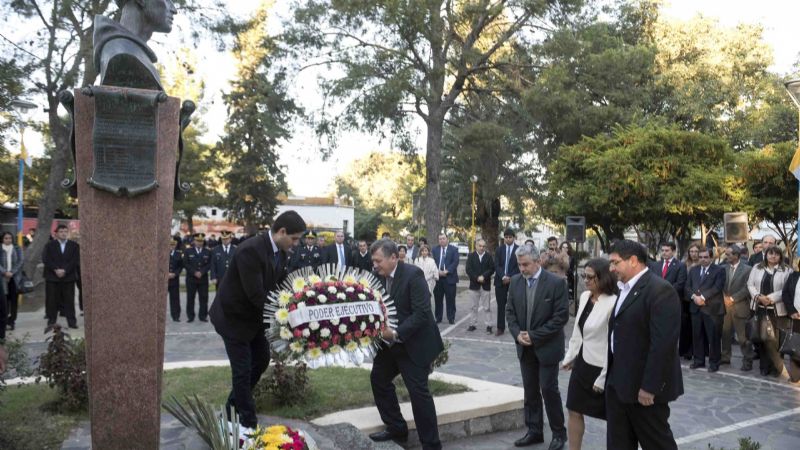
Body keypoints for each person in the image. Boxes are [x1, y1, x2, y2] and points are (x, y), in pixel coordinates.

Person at [209, 211, 305, 432]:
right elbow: (257, 296)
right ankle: (248, 423)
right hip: (234, 319)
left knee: (261, 360)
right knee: (242, 371)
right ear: (282, 232)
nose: (296, 243)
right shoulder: (251, 250)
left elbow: (281, 286)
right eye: (294, 238)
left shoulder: (281, 252)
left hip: (254, 319)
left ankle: (231, 409)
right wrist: (287, 318)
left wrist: (300, 301)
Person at [606, 239, 683, 450]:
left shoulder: (660, 290)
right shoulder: (623, 288)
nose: (611, 269)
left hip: (644, 391)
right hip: (619, 385)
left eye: (615, 263)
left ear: (633, 261)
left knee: (657, 444)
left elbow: (663, 345)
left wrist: (649, 387)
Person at [368, 239, 444, 450]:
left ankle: (431, 444)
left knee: (418, 393)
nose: (375, 265)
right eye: (373, 261)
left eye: (378, 260)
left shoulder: (413, 275)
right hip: (390, 344)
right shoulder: (375, 277)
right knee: (378, 379)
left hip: (414, 344)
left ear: (394, 257)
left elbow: (422, 313)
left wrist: (396, 333)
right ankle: (397, 429)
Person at [505, 244, 568, 449]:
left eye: (526, 265)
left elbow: (560, 318)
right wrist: (517, 335)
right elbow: (510, 313)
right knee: (530, 391)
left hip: (548, 347)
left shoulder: (556, 283)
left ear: (538, 262)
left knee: (549, 390)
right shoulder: (515, 282)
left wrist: (534, 336)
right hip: (525, 347)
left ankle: (559, 434)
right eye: (519, 265)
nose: (522, 269)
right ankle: (534, 431)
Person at [561, 259, 618, 450]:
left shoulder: (613, 303)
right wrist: (571, 356)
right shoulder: (585, 296)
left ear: (603, 278)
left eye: (590, 277)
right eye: (583, 276)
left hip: (602, 367)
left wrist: (602, 378)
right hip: (583, 364)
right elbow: (578, 330)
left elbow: (613, 344)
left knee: (613, 417)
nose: (585, 280)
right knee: (574, 409)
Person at [747, 246, 791, 377]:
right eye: (770, 254)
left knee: (776, 341)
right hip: (760, 309)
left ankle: (776, 368)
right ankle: (764, 366)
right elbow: (750, 284)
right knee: (763, 339)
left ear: (780, 256)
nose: (773, 256)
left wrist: (770, 298)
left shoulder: (786, 270)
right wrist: (758, 297)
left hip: (778, 312)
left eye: (776, 254)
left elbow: (787, 289)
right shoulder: (757, 267)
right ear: (766, 255)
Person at [685, 248, 726, 372]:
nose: (703, 259)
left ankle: (714, 363)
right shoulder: (693, 270)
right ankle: (699, 360)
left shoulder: (719, 270)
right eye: (701, 257)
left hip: (712, 309)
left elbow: (717, 287)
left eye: (705, 257)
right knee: (697, 336)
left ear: (711, 257)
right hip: (696, 309)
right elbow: (687, 287)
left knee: (713, 338)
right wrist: (694, 297)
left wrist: (702, 297)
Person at [720, 245, 753, 370]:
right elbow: (719, 284)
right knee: (725, 334)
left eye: (728, 254)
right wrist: (724, 297)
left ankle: (747, 360)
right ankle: (725, 357)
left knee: (743, 336)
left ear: (736, 255)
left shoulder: (748, 270)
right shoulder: (722, 268)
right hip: (725, 307)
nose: (726, 256)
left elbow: (747, 288)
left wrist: (732, 299)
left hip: (740, 306)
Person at [42, 224, 80, 331]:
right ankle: (51, 321)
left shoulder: (74, 245)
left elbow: (75, 260)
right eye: (61, 231)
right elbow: (46, 259)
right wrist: (56, 269)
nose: (63, 233)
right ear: (56, 233)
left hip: (68, 277)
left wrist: (65, 270)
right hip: (52, 277)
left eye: (65, 231)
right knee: (52, 300)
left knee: (69, 300)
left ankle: (72, 322)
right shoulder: (49, 245)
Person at [466, 239, 495, 334]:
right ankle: (472, 324)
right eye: (480, 246)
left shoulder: (488, 256)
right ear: (476, 246)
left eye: (483, 246)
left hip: (485, 285)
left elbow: (492, 269)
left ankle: (489, 325)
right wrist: (477, 278)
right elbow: (468, 270)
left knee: (487, 307)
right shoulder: (471, 256)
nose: (482, 248)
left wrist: (484, 276)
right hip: (474, 285)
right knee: (473, 307)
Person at [495, 229, 520, 336]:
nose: (508, 239)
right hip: (500, 281)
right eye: (506, 237)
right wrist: (503, 276)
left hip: (514, 282)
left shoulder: (519, 249)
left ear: (514, 237)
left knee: (515, 305)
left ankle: (516, 327)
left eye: (510, 237)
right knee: (501, 305)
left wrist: (510, 277)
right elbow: (496, 265)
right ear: (504, 238)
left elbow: (519, 266)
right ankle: (500, 328)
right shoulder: (499, 249)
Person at [680, 242, 702, 360]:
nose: (693, 254)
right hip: (685, 299)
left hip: (697, 298)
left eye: (696, 251)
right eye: (691, 251)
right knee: (685, 326)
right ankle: (685, 350)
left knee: (696, 327)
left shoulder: (702, 264)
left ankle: (694, 350)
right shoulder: (684, 264)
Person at [183, 233, 212, 322]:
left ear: (203, 242)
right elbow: (185, 264)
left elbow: (210, 264)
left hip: (203, 279)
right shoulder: (188, 251)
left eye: (201, 241)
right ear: (194, 241)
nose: (199, 243)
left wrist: (202, 272)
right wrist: (194, 272)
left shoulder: (208, 251)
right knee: (190, 298)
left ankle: (203, 316)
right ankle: (190, 316)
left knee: (204, 298)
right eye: (198, 241)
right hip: (191, 279)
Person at [780, 260, 800, 383]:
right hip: (796, 316)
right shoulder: (793, 276)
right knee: (795, 346)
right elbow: (785, 294)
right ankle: (795, 374)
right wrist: (791, 311)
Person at [432, 234, 459, 324]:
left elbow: (455, 262)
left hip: (450, 278)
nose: (441, 240)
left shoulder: (454, 249)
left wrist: (447, 271)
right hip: (438, 278)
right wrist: (437, 271)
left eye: (443, 239)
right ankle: (438, 317)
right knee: (438, 299)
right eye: (440, 239)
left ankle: (451, 318)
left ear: (447, 239)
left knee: (450, 299)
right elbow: (433, 262)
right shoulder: (435, 249)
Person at [0, 232, 22, 332]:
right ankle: (3, 322)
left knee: (13, 301)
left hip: (14, 278)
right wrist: (5, 272)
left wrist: (12, 272)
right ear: (2, 239)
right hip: (2, 278)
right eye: (6, 238)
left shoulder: (17, 248)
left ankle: (11, 321)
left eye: (10, 238)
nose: (8, 240)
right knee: (3, 301)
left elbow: (21, 261)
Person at [167, 236, 183, 322]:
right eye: (170, 245)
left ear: (175, 245)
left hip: (174, 279)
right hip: (164, 280)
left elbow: (181, 266)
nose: (171, 246)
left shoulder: (178, 254)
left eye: (173, 245)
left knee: (175, 299)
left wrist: (175, 274)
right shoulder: (162, 253)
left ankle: (176, 316)